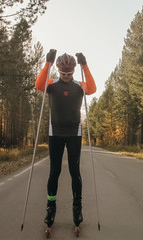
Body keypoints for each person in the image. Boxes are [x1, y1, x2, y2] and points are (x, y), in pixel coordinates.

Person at [35, 49, 96, 229]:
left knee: (74, 171)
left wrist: (85, 65)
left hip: (74, 133)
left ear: (73, 72)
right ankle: (50, 207)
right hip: (56, 133)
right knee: (54, 171)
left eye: (69, 74)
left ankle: (77, 208)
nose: (66, 77)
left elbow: (92, 89)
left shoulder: (79, 85)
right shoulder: (52, 83)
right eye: (63, 73)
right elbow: (38, 85)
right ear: (59, 71)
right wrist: (47, 63)